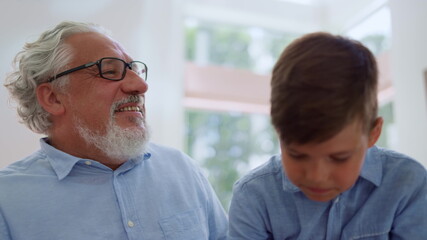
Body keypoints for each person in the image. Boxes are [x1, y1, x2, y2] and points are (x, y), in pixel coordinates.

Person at [1, 21, 227, 240]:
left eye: (135, 70)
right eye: (110, 71)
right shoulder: (7, 201)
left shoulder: (182, 169)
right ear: (52, 97)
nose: (140, 85)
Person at [228, 32, 427, 239]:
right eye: (297, 155)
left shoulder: (407, 182)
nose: (317, 176)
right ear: (279, 134)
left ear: (372, 133)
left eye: (339, 158)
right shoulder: (253, 196)